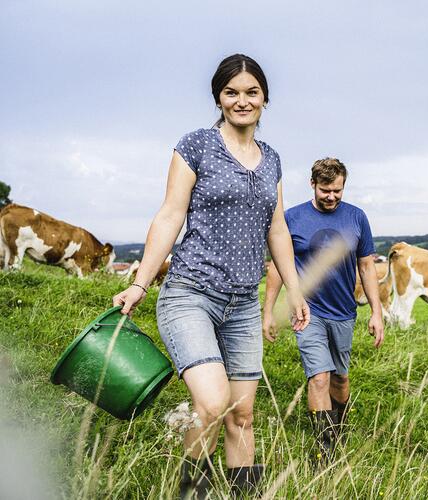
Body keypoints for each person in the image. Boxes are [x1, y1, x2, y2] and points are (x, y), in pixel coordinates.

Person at [112, 53, 310, 498]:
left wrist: (294, 291)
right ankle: (191, 493)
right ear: (218, 98)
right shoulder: (196, 145)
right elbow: (169, 216)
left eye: (251, 92)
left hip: (242, 303)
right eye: (232, 92)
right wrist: (140, 282)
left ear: (265, 98)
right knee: (213, 402)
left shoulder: (272, 159)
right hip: (191, 294)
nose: (242, 101)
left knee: (242, 414)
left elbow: (276, 229)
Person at [262, 157, 384, 463]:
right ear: (313, 185)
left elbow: (367, 267)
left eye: (337, 191)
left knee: (340, 379)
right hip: (307, 312)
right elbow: (277, 267)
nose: (331, 197)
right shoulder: (292, 218)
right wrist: (268, 310)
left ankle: (338, 429)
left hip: (343, 312)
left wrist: (376, 311)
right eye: (325, 190)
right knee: (319, 378)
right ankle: (324, 452)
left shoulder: (357, 218)